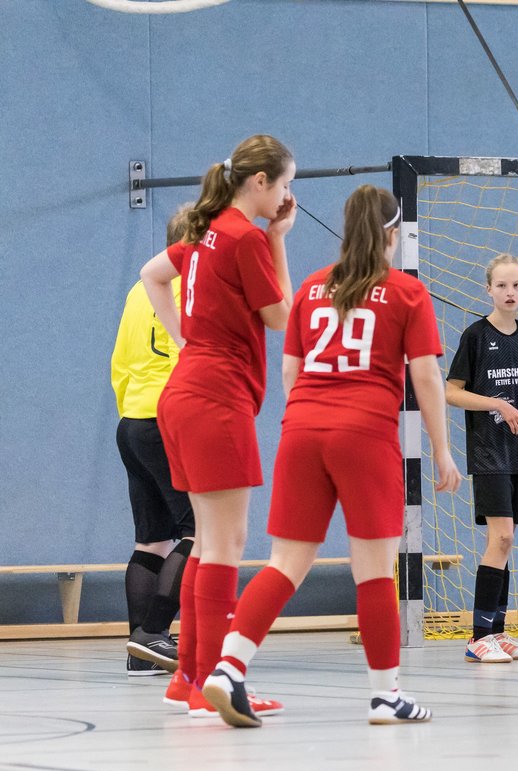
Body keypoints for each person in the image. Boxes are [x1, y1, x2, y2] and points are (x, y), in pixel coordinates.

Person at [201, 185, 462, 727]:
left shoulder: (313, 288)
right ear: (393, 235)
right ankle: (385, 696)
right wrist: (441, 451)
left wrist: (303, 425)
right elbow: (427, 379)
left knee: (284, 565)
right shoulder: (407, 293)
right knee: (373, 573)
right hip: (364, 435)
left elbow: (291, 374)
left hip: (302, 429)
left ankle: (229, 666)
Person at [138, 134, 296, 717]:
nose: (285, 196)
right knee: (225, 544)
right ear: (260, 183)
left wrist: (184, 337)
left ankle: (188, 678)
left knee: (207, 542)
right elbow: (281, 316)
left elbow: (151, 274)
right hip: (214, 399)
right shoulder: (242, 237)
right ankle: (216, 680)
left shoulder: (202, 232)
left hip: (185, 394)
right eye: (283, 185)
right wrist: (277, 240)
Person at [112, 205, 195, 677]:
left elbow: (121, 361)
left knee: (151, 541)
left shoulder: (138, 289)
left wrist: (133, 409)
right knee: (199, 532)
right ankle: (155, 633)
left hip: (133, 421)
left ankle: (139, 652)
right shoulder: (192, 285)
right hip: (170, 420)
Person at [445, 254, 518, 664]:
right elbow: (451, 391)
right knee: (499, 538)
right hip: (489, 451)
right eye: (501, 285)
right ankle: (478, 636)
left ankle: (497, 634)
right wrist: (496, 404)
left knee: (507, 541)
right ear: (489, 289)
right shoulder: (476, 336)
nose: (509, 292)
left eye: (516, 285)